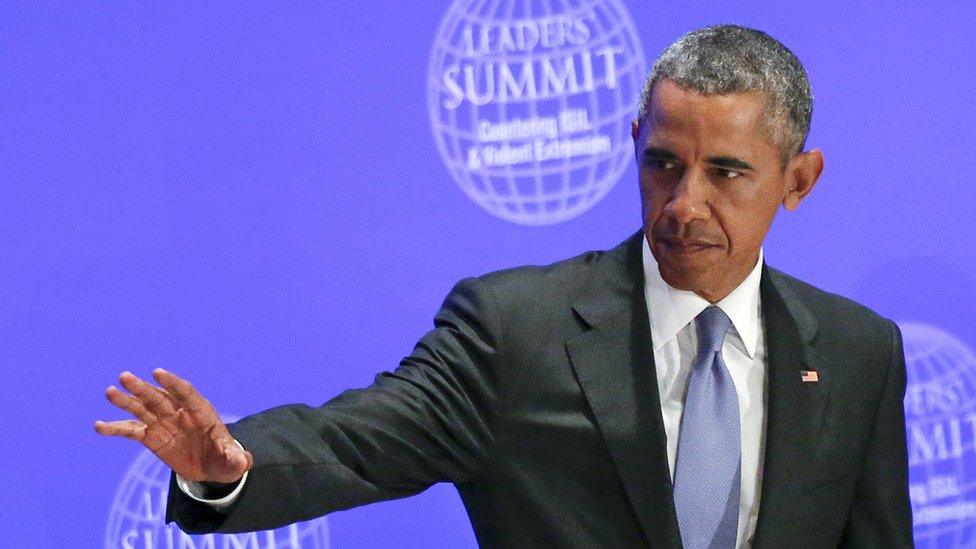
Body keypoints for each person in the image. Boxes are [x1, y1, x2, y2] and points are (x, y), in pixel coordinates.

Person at [95, 25, 913, 548]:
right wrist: (229, 465)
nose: (685, 203)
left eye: (727, 172)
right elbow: (358, 439)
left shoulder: (855, 350)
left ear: (798, 180)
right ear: (635, 143)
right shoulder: (517, 329)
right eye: (663, 163)